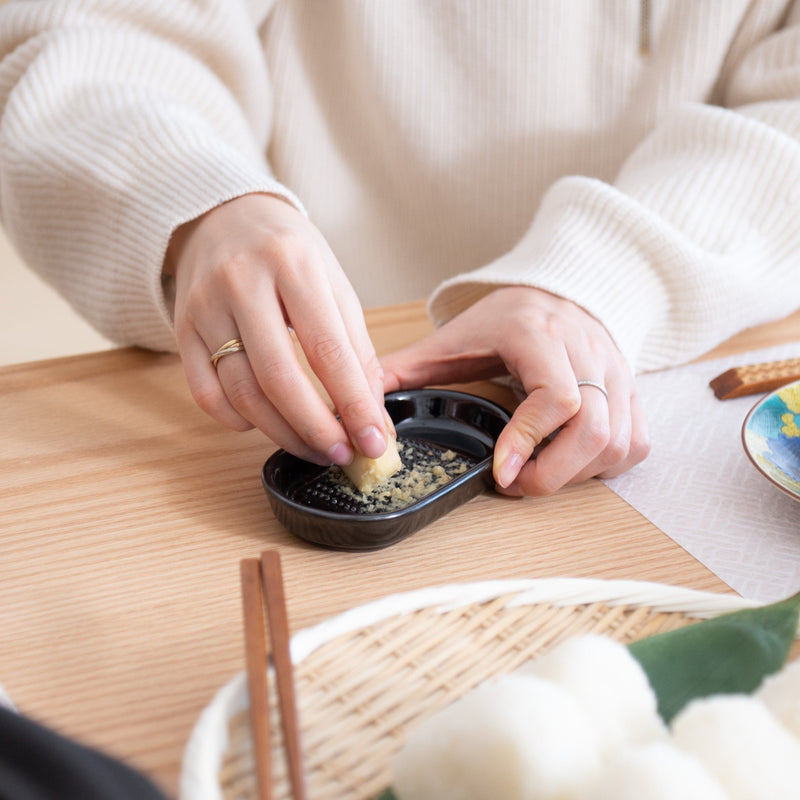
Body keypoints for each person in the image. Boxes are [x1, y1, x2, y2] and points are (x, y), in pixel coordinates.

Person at [1, 1, 799, 497]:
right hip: (278, 379)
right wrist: (196, 196)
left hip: (663, 376)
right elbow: (88, 30)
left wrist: (606, 278)